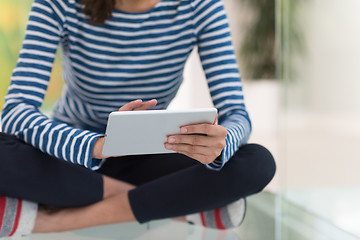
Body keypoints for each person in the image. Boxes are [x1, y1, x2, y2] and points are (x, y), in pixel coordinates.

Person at [0, 0, 276, 237]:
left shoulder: (199, 7)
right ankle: (183, 208)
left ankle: (55, 220)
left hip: (152, 155)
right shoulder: (58, 5)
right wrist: (99, 146)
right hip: (73, 158)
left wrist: (219, 145)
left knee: (256, 162)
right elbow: (16, 111)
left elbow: (236, 114)